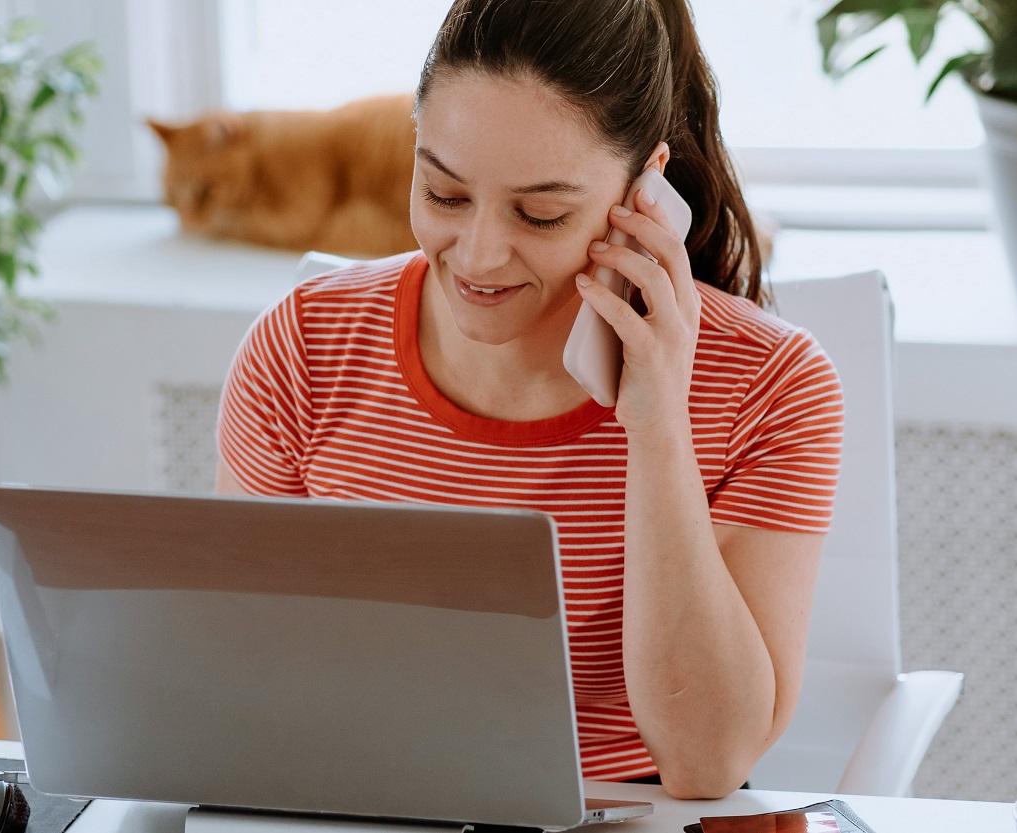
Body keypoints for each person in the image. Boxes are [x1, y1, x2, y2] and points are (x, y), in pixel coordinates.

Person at [214, 0, 844, 800]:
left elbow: (707, 759)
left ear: (646, 191)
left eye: (540, 212)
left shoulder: (772, 387)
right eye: (443, 193)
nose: (477, 254)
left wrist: (656, 429)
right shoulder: (300, 349)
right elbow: (240, 683)